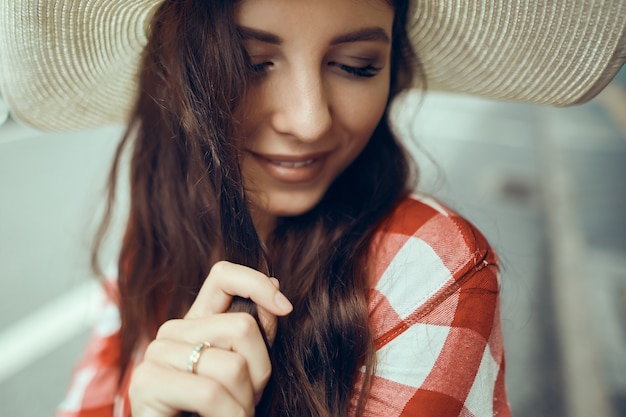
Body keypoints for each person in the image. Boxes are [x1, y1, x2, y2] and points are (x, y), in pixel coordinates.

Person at [1, 0, 624, 416]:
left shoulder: (427, 269)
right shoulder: (152, 235)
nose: (309, 120)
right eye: (251, 64)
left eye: (356, 65)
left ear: (393, 69)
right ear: (175, 69)